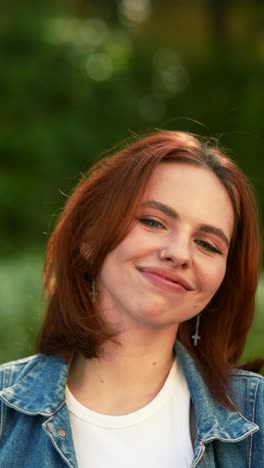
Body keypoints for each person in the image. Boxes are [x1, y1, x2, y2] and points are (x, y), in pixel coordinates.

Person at [0, 130, 263, 468]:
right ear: (90, 236)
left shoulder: (258, 419)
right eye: (153, 221)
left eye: (208, 244)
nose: (179, 253)